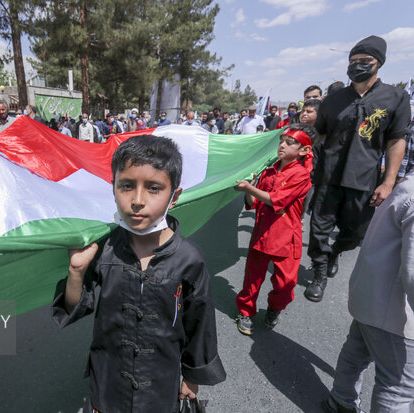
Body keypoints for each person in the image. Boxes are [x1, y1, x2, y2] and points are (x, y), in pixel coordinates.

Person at [52, 135, 226, 412]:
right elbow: (74, 306)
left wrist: (192, 378)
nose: (138, 200)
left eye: (154, 188)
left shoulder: (188, 259)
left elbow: (200, 321)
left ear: (174, 196)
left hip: (160, 383)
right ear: (113, 188)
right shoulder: (104, 249)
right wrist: (76, 271)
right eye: (127, 186)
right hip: (106, 381)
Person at [305, 35, 411, 303]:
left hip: (364, 180)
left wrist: (388, 183)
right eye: (352, 61)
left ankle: (337, 251)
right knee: (319, 229)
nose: (357, 66)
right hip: (328, 177)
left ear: (379, 63)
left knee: (355, 233)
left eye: (364, 61)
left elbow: (397, 140)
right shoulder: (333, 99)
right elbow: (318, 134)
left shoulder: (395, 98)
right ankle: (318, 271)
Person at [321, 169, 414, 413]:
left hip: (370, 295)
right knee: (398, 388)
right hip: (395, 313)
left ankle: (340, 400)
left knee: (356, 353)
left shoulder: (408, 186)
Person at [234, 124, 313, 335]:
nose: (282, 145)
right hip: (262, 232)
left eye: (290, 142)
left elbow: (275, 200)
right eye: (282, 141)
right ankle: (246, 312)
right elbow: (254, 203)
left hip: (287, 236)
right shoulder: (268, 171)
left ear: (304, 150)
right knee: (252, 278)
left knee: (285, 284)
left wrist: (251, 188)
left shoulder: (301, 175)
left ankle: (275, 308)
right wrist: (250, 187)